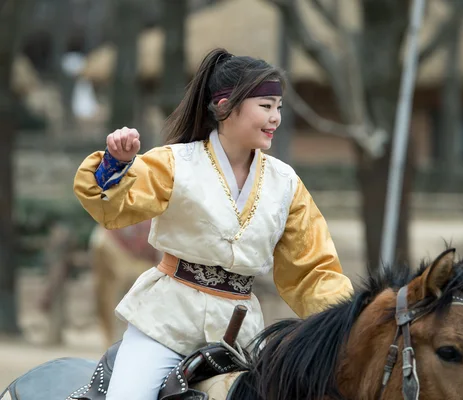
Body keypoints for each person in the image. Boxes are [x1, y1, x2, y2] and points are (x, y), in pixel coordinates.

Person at [73, 48, 354, 399]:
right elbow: (113, 207)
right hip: (164, 324)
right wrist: (116, 163)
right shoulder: (176, 163)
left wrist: (349, 323)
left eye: (278, 108)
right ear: (224, 107)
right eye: (265, 106)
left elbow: (312, 271)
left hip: (241, 337)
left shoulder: (287, 184)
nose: (275, 118)